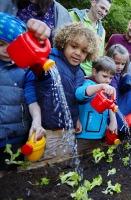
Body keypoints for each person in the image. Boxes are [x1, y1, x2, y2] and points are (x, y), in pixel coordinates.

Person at [35, 22, 99, 160]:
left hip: (69, 130)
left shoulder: (80, 73)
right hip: (48, 128)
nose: (78, 53)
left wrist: (76, 119)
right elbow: (38, 73)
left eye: (84, 51)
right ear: (64, 42)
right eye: (74, 46)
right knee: (44, 166)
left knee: (64, 163)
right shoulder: (51, 60)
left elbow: (74, 98)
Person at [0, 13, 49, 171]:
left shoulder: (25, 69)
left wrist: (37, 120)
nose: (7, 50)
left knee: (11, 178)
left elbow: (31, 99)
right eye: (1, 43)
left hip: (16, 139)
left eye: (13, 44)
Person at [75, 56, 117, 154]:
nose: (108, 80)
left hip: (99, 135)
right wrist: (100, 87)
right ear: (94, 72)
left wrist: (113, 121)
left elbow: (111, 104)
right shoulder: (88, 84)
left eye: (111, 78)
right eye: (105, 76)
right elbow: (79, 94)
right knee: (79, 160)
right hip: (84, 136)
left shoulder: (106, 88)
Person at [69, 0, 112, 76]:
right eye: (102, 8)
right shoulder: (73, 16)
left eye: (106, 11)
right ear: (93, 2)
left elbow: (98, 57)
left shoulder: (102, 32)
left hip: (88, 75)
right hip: (67, 66)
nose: (103, 12)